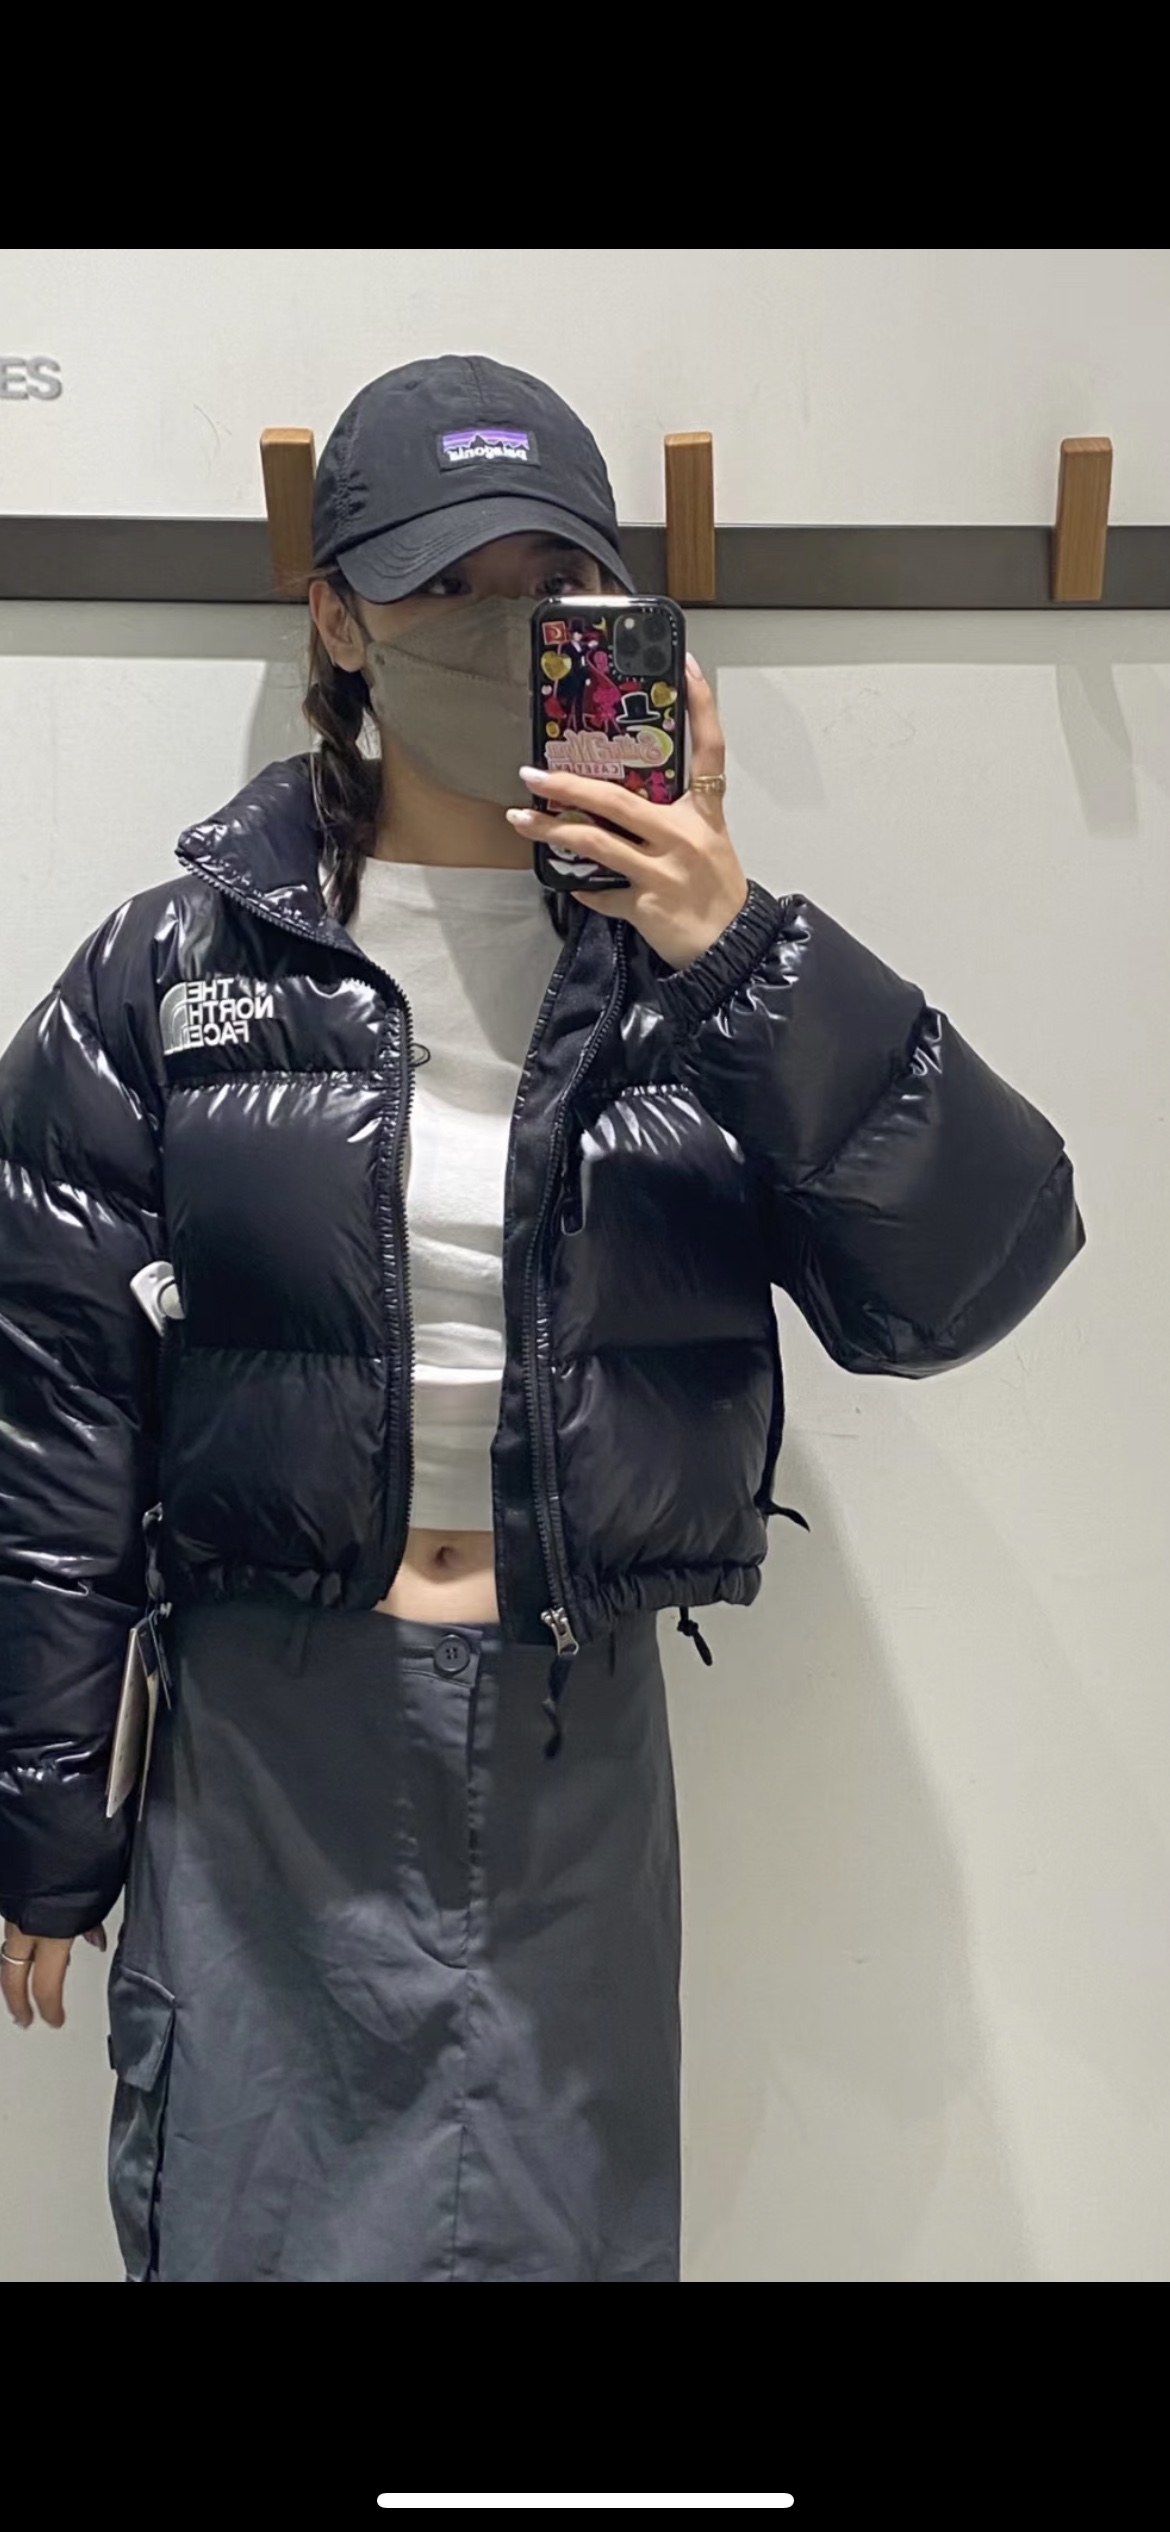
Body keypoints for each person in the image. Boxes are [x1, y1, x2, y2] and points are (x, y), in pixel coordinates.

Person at [0, 354, 1083, 2284]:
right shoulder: (175, 968)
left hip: (573, 1742)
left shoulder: (691, 976)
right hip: (263, 1752)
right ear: (336, 618)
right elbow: (52, 1416)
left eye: (547, 583)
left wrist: (736, 945)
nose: (499, 627)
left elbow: (970, 1277)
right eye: (444, 585)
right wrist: (44, 1822)